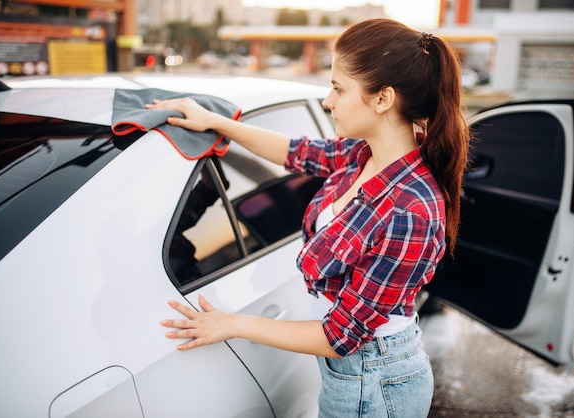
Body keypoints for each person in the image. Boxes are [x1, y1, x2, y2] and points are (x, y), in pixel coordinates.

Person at [147, 18, 470, 418]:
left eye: (338, 88)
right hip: (352, 374)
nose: (326, 101)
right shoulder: (361, 153)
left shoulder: (411, 213)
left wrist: (231, 325)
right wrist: (215, 122)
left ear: (383, 98)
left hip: (377, 383)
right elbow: (295, 152)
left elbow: (340, 336)